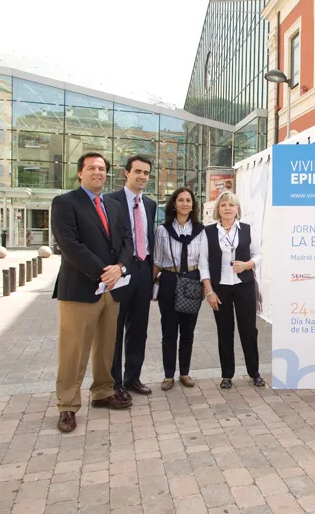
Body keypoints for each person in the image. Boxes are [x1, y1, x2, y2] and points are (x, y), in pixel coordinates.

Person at [51, 152, 133, 433]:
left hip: (112, 289)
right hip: (80, 289)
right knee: (74, 350)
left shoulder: (114, 204)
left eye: (101, 168)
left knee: (106, 346)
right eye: (91, 168)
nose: (97, 172)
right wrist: (105, 271)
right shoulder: (65, 203)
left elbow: (126, 240)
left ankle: (102, 392)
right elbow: (70, 244)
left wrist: (120, 267)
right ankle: (67, 405)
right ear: (80, 173)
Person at [200, 191, 266, 389]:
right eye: (223, 205)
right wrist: (209, 292)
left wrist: (247, 265)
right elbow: (203, 264)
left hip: (244, 286)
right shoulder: (209, 232)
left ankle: (254, 372)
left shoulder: (246, 229)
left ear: (237, 208)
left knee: (249, 330)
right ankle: (227, 375)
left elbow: (259, 255)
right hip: (220, 289)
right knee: (224, 331)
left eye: (231, 205)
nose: (227, 208)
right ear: (218, 210)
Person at [106, 156, 157, 400]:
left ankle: (133, 378)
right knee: (115, 329)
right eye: (137, 171)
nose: (142, 176)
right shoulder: (109, 201)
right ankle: (114, 382)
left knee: (139, 328)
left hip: (143, 270)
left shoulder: (150, 204)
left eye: (146, 173)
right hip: (120, 271)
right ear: (126, 173)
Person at [153, 187, 204, 391]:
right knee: (169, 331)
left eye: (188, 200)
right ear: (174, 204)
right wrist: (149, 285)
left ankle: (184, 372)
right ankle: (168, 375)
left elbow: (205, 261)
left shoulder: (201, 231)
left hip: (192, 280)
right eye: (180, 200)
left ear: (193, 205)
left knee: (188, 331)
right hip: (169, 280)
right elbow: (157, 259)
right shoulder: (162, 230)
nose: (185, 204)